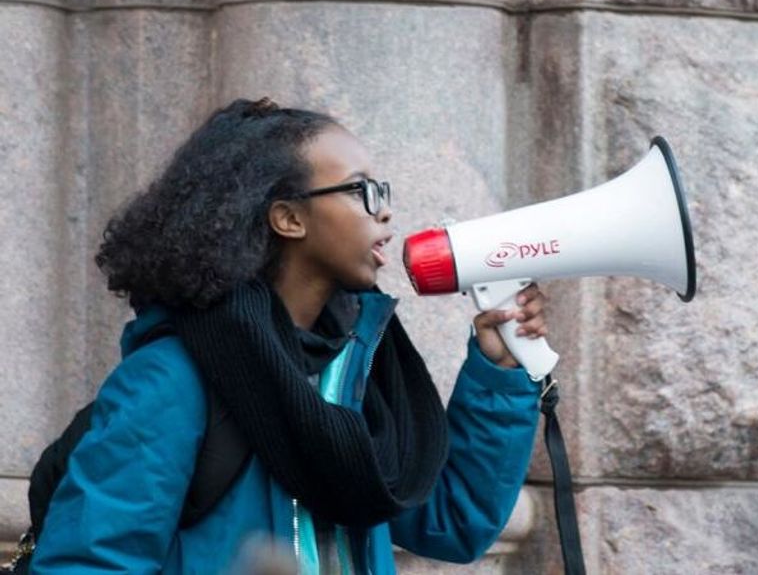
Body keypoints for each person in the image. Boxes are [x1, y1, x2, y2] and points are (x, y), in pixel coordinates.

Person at [30, 98, 546, 574]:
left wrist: (497, 371)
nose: (383, 210)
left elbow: (451, 522)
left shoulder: (358, 369)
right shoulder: (172, 378)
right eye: (360, 190)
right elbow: (90, 562)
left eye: (381, 191)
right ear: (289, 218)